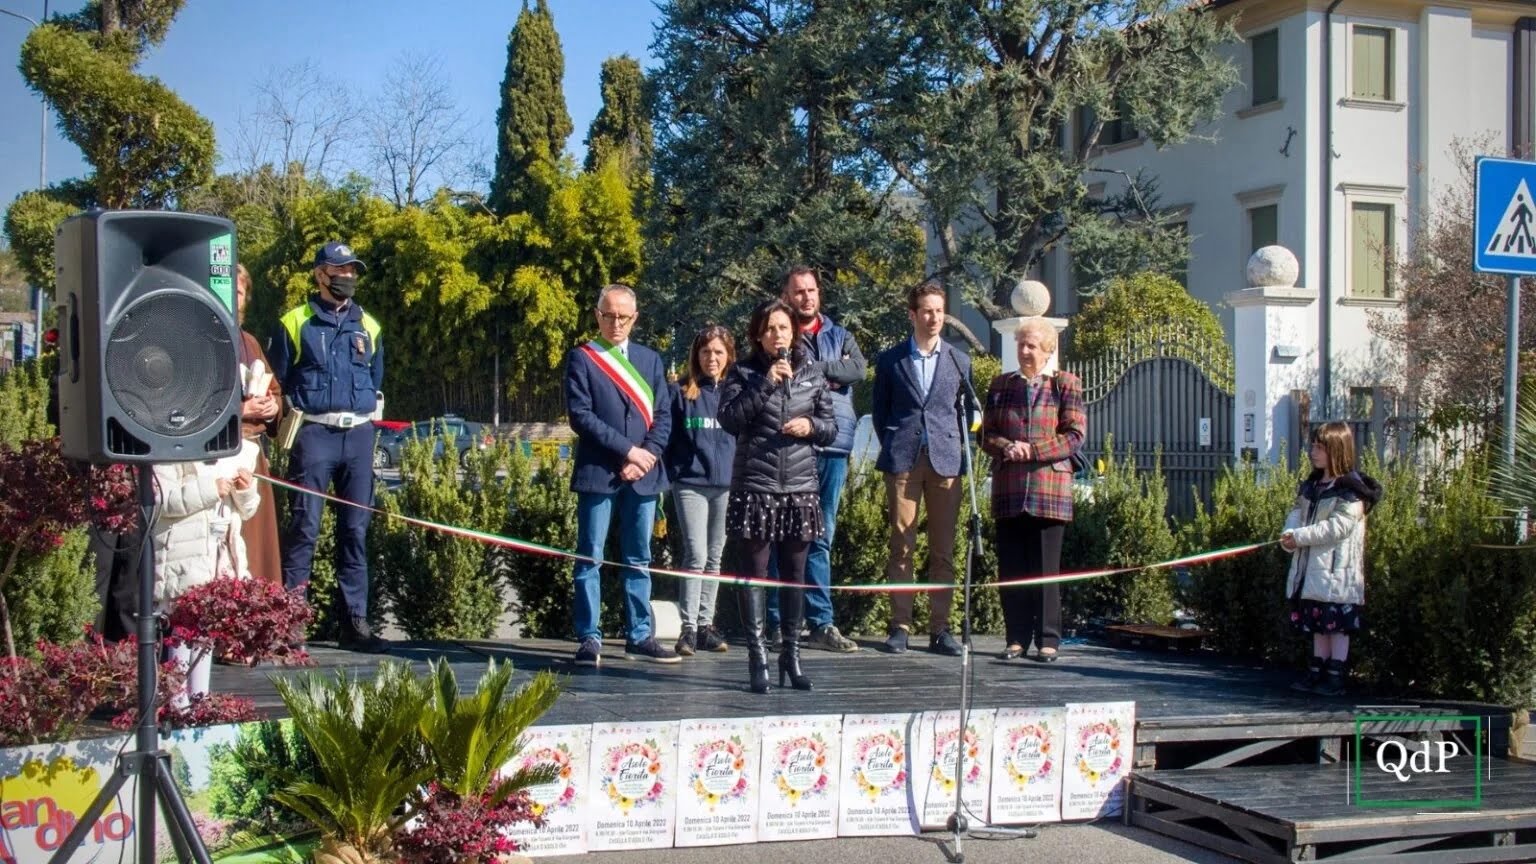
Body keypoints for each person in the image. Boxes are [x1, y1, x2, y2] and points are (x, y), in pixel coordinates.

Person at [269, 241, 387, 653]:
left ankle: (354, 622)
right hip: (314, 435)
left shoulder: (369, 326)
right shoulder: (294, 322)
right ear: (320, 274)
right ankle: (290, 624)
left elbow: (374, 380)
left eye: (353, 270)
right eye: (340, 270)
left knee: (355, 531)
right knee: (304, 528)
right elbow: (277, 383)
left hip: (357, 437)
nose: (348, 277)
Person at [720, 298, 837, 693]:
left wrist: (812, 426)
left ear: (795, 332)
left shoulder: (812, 372)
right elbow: (730, 419)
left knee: (795, 577)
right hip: (757, 487)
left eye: (784, 328)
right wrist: (767, 382)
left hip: (800, 490)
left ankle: (792, 654)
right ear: (758, 334)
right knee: (754, 577)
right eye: (770, 329)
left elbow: (831, 428)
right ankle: (757, 657)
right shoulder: (743, 372)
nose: (778, 335)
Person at [565, 284, 678, 666]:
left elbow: (663, 416)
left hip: (643, 474)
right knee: (590, 556)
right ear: (597, 315)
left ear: (635, 318)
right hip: (600, 472)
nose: (616, 323)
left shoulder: (650, 360)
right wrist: (627, 451)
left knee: (638, 557)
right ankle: (589, 637)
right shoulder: (583, 358)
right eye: (609, 315)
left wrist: (645, 456)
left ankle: (639, 635)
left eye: (623, 316)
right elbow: (581, 416)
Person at [872, 280, 972, 656]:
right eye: (927, 311)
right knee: (902, 545)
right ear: (913, 314)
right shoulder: (891, 360)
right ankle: (899, 625)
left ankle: (940, 629)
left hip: (946, 462)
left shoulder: (958, 361)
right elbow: (881, 414)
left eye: (940, 311)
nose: (934, 318)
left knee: (943, 549)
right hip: (903, 459)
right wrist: (898, 442)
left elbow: (963, 411)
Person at [981, 319, 1086, 663]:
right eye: (1021, 344)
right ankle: (1015, 638)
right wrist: (1006, 447)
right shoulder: (1000, 386)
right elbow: (986, 434)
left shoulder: (1065, 385)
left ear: (1048, 350)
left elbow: (1073, 436)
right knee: (1011, 569)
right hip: (1010, 488)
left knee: (1045, 570)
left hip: (1049, 489)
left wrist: (1033, 451)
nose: (1024, 352)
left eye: (1032, 346)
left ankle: (1048, 640)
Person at [771, 265, 862, 653]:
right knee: (780, 534)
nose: (806, 297)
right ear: (787, 295)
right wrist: (829, 373)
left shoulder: (841, 335)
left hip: (834, 446)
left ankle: (821, 622)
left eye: (811, 290)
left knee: (820, 536)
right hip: (791, 447)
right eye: (798, 291)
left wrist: (816, 370)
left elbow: (857, 368)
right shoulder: (779, 334)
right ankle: (776, 622)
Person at [151, 457, 260, 707]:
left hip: (218, 557)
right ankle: (177, 704)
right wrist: (210, 489)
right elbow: (161, 501)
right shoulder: (168, 457)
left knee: (207, 629)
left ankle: (199, 701)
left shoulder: (233, 455)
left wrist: (246, 490)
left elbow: (248, 510)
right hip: (185, 556)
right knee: (183, 628)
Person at [1283, 422, 1382, 696]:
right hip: (1312, 571)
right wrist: (1289, 533)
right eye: (1313, 446)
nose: (1313, 452)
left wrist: (1300, 536)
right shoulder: (1312, 485)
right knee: (1317, 623)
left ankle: (1336, 675)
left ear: (1336, 450)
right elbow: (1297, 512)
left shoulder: (1351, 490)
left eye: (1320, 447)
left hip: (1337, 573)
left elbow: (1338, 528)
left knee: (1337, 626)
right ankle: (1317, 671)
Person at [664, 325, 737, 656]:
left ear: (728, 356)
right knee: (695, 553)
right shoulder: (681, 392)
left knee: (715, 556)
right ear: (697, 355)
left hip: (725, 487)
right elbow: (668, 439)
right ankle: (688, 629)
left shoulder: (736, 393)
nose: (712, 358)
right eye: (706, 352)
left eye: (719, 352)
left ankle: (706, 626)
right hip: (691, 485)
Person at [235, 264, 283, 585]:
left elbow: (273, 388)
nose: (232, 298)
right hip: (217, 459)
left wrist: (271, 405)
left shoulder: (249, 341)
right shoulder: (194, 340)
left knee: (257, 554)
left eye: (238, 293)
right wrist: (241, 410)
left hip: (253, 457)